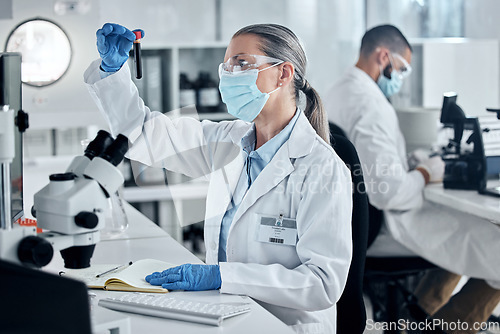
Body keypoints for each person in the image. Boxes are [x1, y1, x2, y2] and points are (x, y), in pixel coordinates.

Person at [85, 23, 353, 334]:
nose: (228, 74)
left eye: (241, 63)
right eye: (226, 65)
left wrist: (221, 276)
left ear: (284, 74)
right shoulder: (230, 140)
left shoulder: (321, 167)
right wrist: (112, 71)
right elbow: (146, 135)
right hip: (225, 316)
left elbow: (322, 284)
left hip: (284, 327)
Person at [324, 24, 500, 334]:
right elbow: (388, 193)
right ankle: (445, 329)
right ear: (383, 56)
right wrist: (425, 172)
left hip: (353, 220)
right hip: (382, 226)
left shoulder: (340, 90)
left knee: (464, 240)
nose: (402, 77)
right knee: (488, 242)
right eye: (402, 67)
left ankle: (414, 316)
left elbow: (364, 165)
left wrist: (409, 164)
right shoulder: (370, 104)